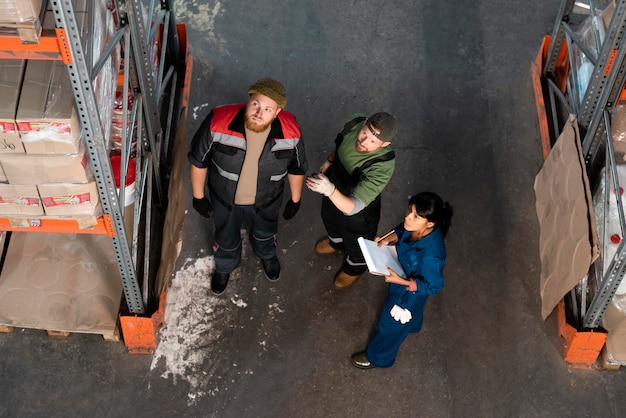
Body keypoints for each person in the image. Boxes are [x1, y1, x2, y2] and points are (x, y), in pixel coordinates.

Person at [188, 78, 308, 295]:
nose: (259, 113)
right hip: (225, 199)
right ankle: (225, 266)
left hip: (267, 200)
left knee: (265, 232)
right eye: (256, 104)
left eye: (267, 109)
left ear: (277, 112)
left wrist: (295, 199)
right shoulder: (218, 122)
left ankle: (267, 254)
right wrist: (199, 197)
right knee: (226, 237)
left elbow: (297, 168)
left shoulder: (291, 132)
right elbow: (199, 160)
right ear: (248, 99)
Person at [350, 191, 453, 369]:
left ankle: (378, 358)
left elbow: (434, 286)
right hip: (401, 278)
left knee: (389, 326)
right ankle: (412, 325)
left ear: (430, 223)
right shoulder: (416, 228)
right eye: (409, 210)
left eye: (416, 216)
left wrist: (403, 282)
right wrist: (389, 238)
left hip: (408, 294)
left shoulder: (432, 256)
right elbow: (401, 230)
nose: (408, 218)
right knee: (411, 316)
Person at [306, 112, 397, 288]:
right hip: (333, 185)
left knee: (358, 241)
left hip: (358, 210)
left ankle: (354, 267)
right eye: (364, 133)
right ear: (364, 123)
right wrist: (329, 161)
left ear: (385, 144)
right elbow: (340, 144)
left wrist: (330, 190)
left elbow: (352, 207)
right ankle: (336, 242)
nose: (363, 142)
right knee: (329, 217)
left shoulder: (383, 164)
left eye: (373, 141)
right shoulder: (354, 123)